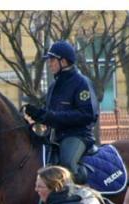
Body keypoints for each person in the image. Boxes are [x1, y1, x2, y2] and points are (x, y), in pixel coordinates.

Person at [23, 40, 99, 184]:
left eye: (52, 60)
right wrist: (39, 114)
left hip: (77, 135)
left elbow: (88, 115)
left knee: (68, 164)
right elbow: (51, 114)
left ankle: (81, 197)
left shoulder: (82, 83)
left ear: (63, 62)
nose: (49, 64)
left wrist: (51, 117)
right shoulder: (54, 85)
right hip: (55, 136)